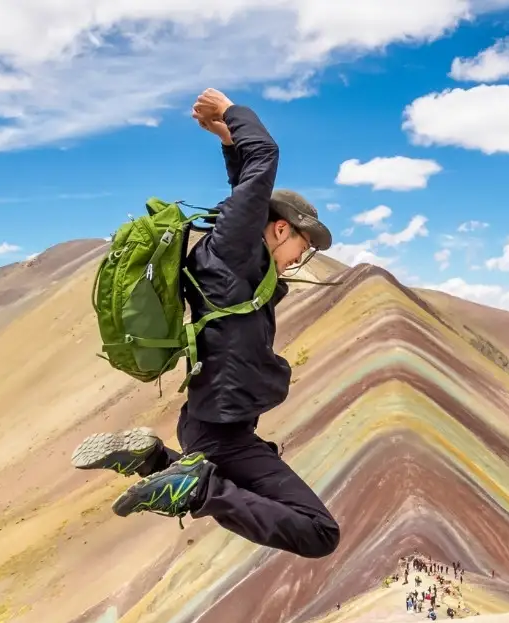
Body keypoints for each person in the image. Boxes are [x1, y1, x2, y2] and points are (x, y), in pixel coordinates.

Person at [69, 88, 340, 560]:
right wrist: (232, 113)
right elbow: (265, 160)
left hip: (209, 421)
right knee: (319, 533)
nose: (303, 256)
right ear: (280, 229)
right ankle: (191, 489)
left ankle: (152, 461)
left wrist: (227, 140)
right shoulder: (233, 249)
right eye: (305, 243)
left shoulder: (236, 255)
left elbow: (245, 188)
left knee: (233, 479)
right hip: (222, 427)